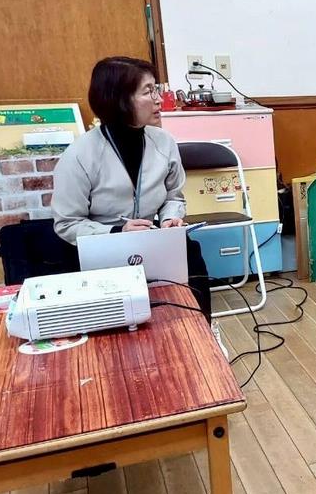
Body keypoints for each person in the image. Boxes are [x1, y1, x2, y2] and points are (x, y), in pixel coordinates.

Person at [52, 56, 213, 320]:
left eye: (156, 89)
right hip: (102, 250)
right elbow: (67, 223)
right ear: (119, 100)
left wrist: (171, 218)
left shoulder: (164, 142)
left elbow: (173, 196)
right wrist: (117, 232)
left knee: (190, 254)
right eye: (148, 92)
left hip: (152, 240)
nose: (159, 100)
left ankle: (200, 333)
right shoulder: (80, 154)